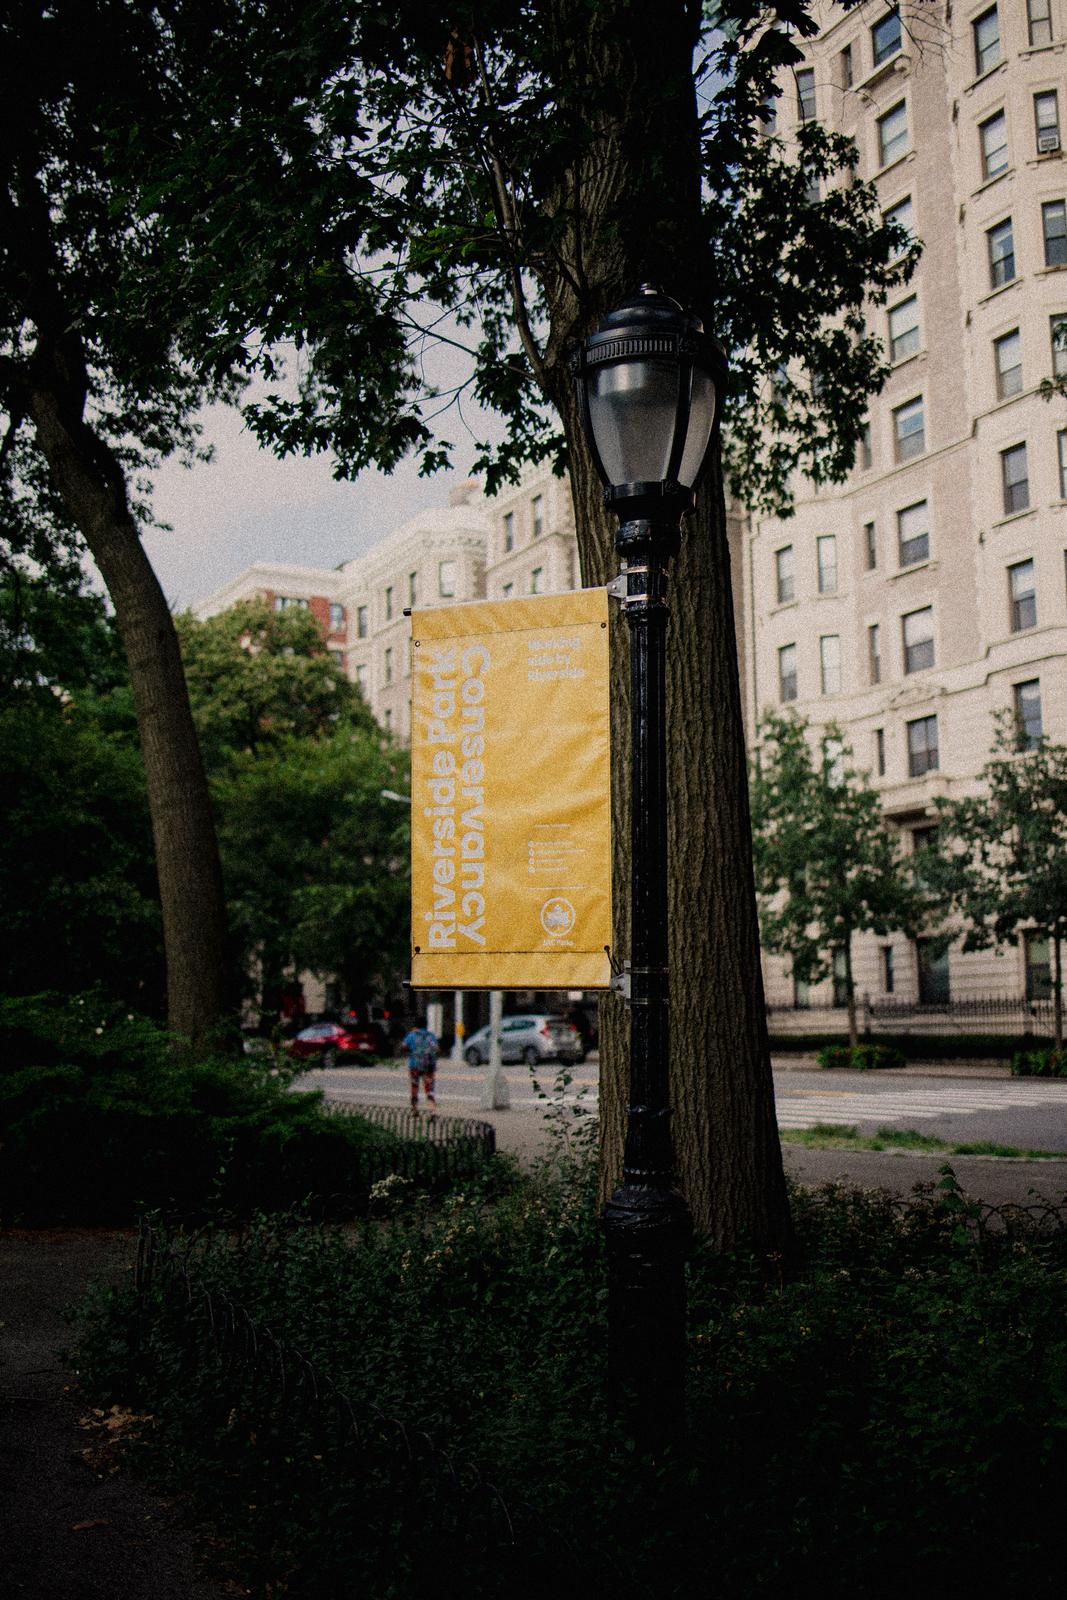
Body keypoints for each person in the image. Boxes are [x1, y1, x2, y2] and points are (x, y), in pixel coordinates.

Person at [402, 1019, 439, 1113]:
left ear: (416, 1026)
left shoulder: (411, 1035)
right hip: (429, 1066)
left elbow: (404, 1046)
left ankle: (414, 1110)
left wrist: (411, 1050)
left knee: (414, 1086)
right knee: (429, 1088)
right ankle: (432, 1110)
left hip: (414, 1065)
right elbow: (437, 1049)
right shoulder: (431, 1036)